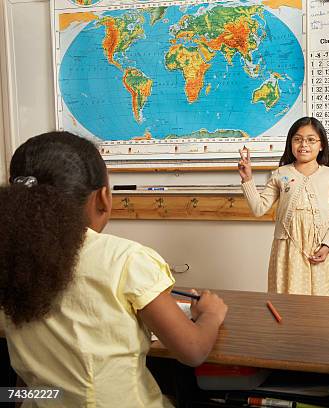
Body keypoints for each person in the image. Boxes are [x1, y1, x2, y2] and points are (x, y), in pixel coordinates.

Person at [0, 131, 228, 407]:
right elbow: (192, 351)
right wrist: (211, 315)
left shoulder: (8, 260)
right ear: (103, 198)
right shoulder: (126, 260)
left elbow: (20, 381)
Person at [238, 117, 329, 295]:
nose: (304, 144)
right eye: (298, 139)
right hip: (287, 251)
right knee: (286, 299)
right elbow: (259, 208)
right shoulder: (281, 173)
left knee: (317, 303)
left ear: (321, 145)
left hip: (318, 251)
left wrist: (327, 246)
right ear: (290, 143)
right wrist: (248, 179)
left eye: (311, 140)